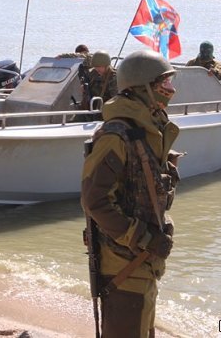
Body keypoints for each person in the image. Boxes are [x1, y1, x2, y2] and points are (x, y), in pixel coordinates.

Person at [81, 49, 182, 337]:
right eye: (165, 84)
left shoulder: (147, 132)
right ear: (143, 88)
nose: (170, 91)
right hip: (124, 264)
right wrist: (143, 238)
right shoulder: (117, 136)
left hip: (141, 262)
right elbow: (95, 201)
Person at [81, 50, 118, 116]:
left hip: (106, 112)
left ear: (106, 65)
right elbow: (82, 55)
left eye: (99, 67)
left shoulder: (113, 77)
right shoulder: (93, 73)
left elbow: (115, 100)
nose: (97, 69)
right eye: (95, 67)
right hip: (91, 109)